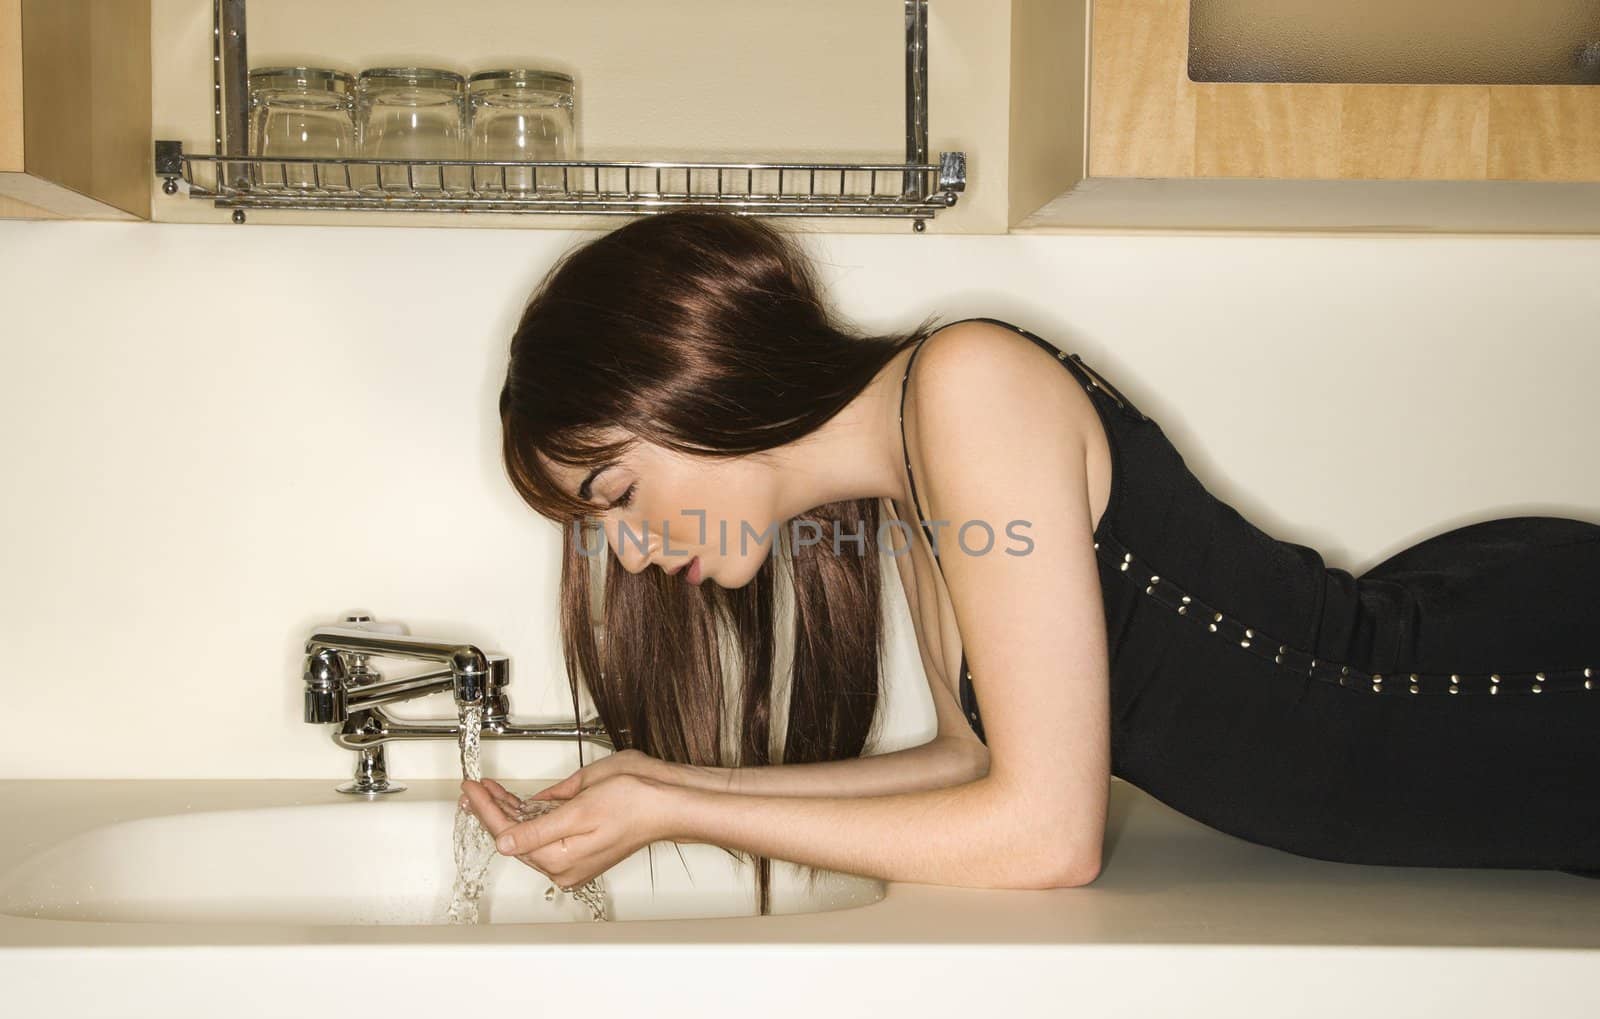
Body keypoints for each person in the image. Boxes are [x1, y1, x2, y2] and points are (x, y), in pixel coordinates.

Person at [462, 206, 1600, 909]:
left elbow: (1044, 837)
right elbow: (975, 767)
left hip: (1533, 693)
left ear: (693, 382)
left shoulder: (965, 386)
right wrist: (663, 782)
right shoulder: (910, 472)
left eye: (612, 491)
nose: (630, 548)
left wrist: (686, 812)